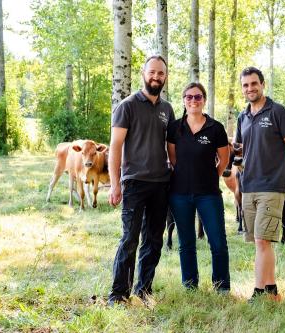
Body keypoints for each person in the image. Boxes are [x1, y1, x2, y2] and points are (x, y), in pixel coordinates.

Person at [107, 55, 175, 305]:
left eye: (161, 73)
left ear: (165, 77)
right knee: (130, 239)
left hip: (161, 184)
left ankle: (143, 290)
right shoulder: (127, 106)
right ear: (143, 74)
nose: (156, 77)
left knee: (154, 241)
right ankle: (118, 294)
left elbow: (171, 149)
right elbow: (115, 147)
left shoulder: (167, 109)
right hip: (134, 183)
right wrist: (115, 184)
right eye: (152, 72)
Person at [235, 67, 285, 301]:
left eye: (254, 83)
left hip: (272, 186)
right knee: (259, 242)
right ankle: (272, 290)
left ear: (262, 84)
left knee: (263, 239)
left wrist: (276, 171)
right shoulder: (242, 117)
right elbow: (239, 150)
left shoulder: (278, 112)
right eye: (245, 85)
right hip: (248, 186)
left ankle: (258, 291)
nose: (250, 88)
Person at [166, 82, 231, 293]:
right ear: (184, 100)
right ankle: (190, 286)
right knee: (186, 244)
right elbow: (173, 158)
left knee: (218, 242)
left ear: (203, 100)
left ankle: (221, 287)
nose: (193, 100)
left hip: (209, 194)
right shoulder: (174, 127)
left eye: (198, 97)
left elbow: (223, 159)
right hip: (179, 194)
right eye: (189, 97)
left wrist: (211, 176)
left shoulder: (216, 128)